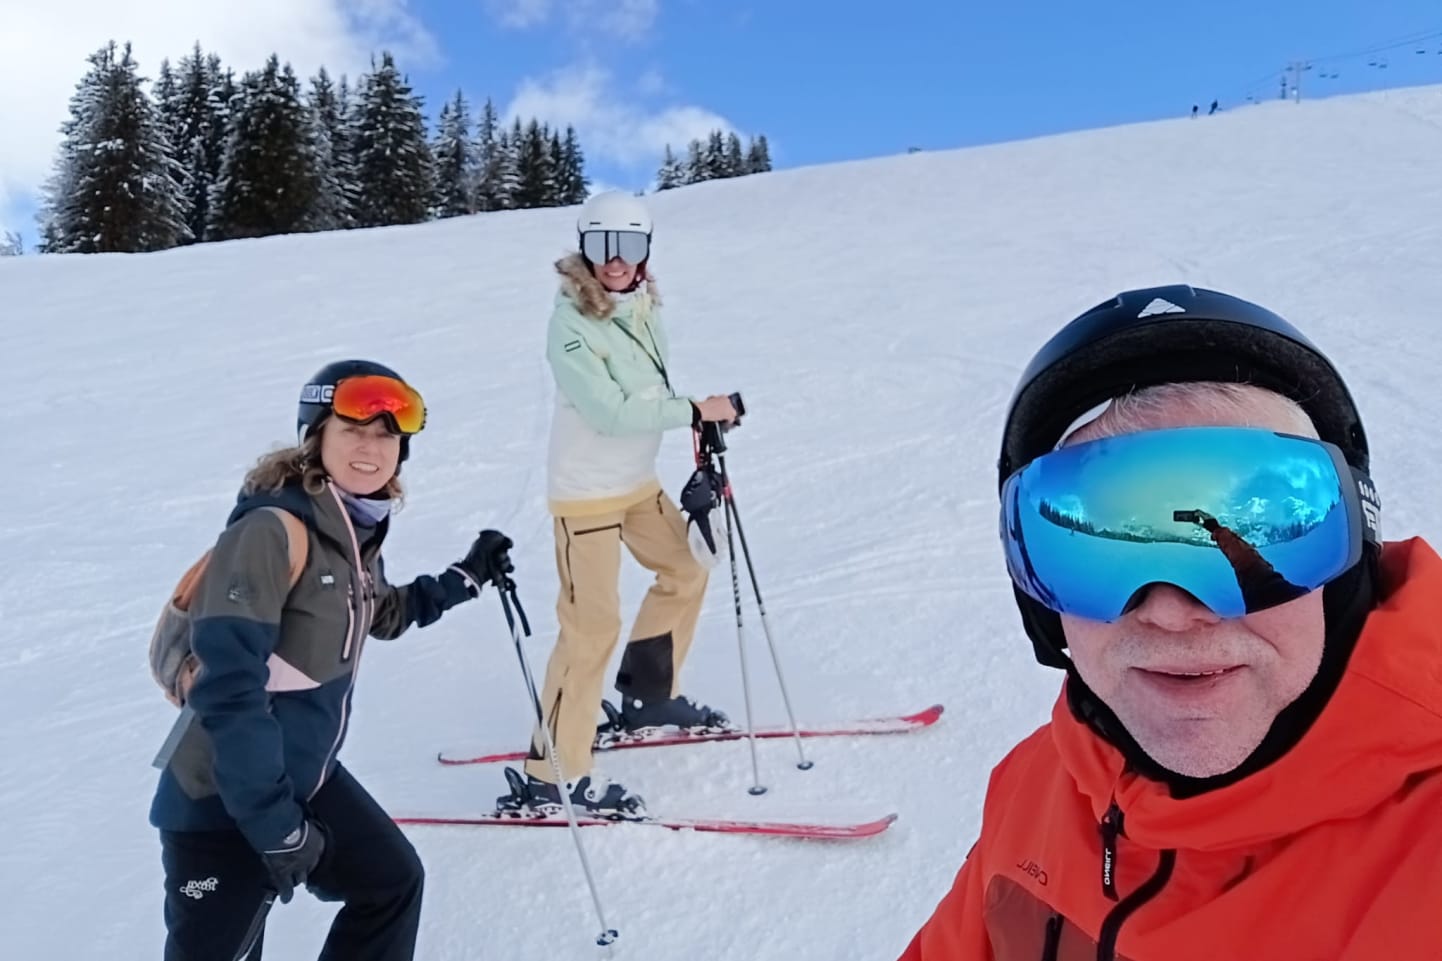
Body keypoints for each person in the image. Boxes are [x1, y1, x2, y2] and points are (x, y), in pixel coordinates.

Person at [899, 286, 1441, 959]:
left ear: (1349, 554)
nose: (1173, 611)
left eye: (1264, 524)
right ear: (1042, 604)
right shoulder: (1036, 786)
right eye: (1095, 549)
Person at [149, 360, 515, 961]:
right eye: (353, 430)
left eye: (387, 435)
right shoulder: (272, 530)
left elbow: (381, 612)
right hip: (221, 798)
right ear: (316, 436)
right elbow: (228, 686)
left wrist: (465, 577)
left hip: (302, 777)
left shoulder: (351, 531)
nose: (372, 448)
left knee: (391, 883)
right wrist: (274, 825)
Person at [495, 191, 738, 818]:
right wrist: (690, 409)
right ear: (585, 247)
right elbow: (608, 411)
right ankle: (553, 773)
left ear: (645, 251)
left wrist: (700, 414)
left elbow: (648, 386)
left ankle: (648, 695)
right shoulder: (569, 324)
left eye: (629, 247)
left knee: (685, 568)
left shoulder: (642, 304)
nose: (615, 261)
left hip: (635, 482)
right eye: (603, 246)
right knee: (590, 627)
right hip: (584, 497)